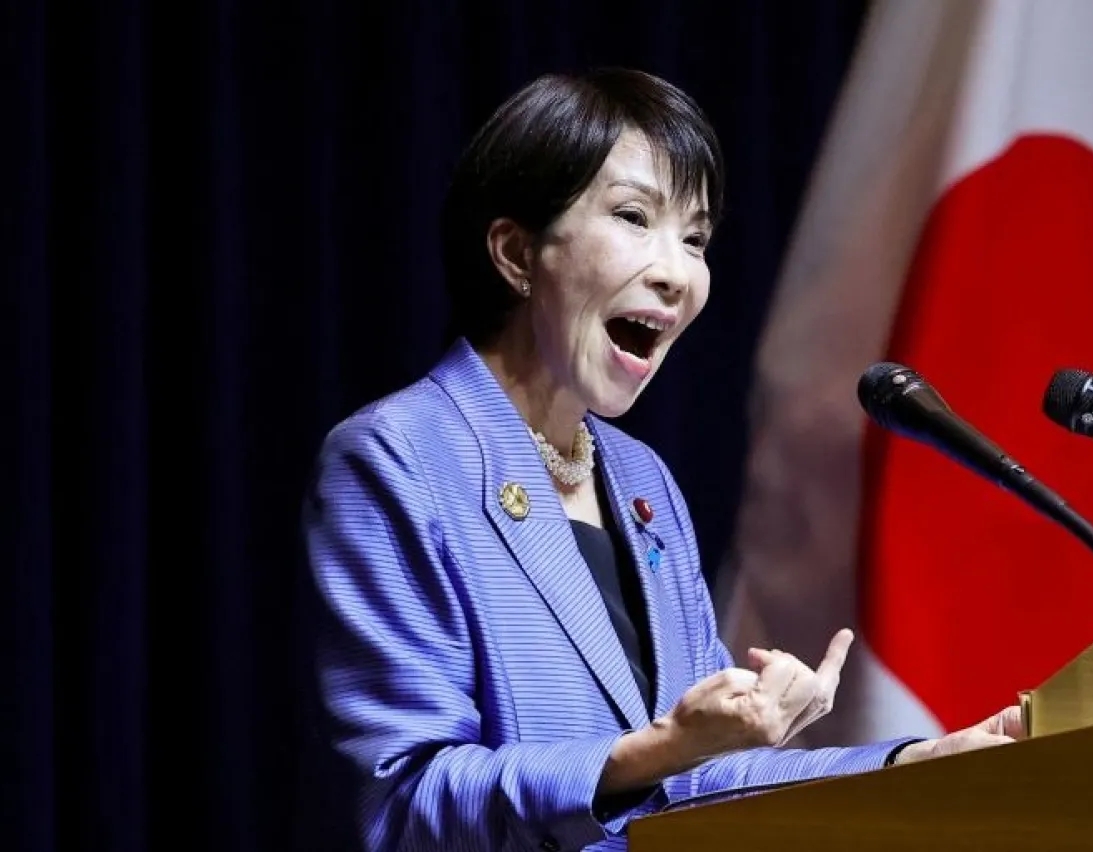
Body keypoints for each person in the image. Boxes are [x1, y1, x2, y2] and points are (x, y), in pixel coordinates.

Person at [302, 67, 1024, 852]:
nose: (676, 273)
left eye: (695, 238)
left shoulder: (642, 481)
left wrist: (916, 766)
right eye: (634, 217)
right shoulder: (397, 460)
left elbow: (696, 786)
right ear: (515, 253)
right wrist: (666, 747)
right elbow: (404, 803)